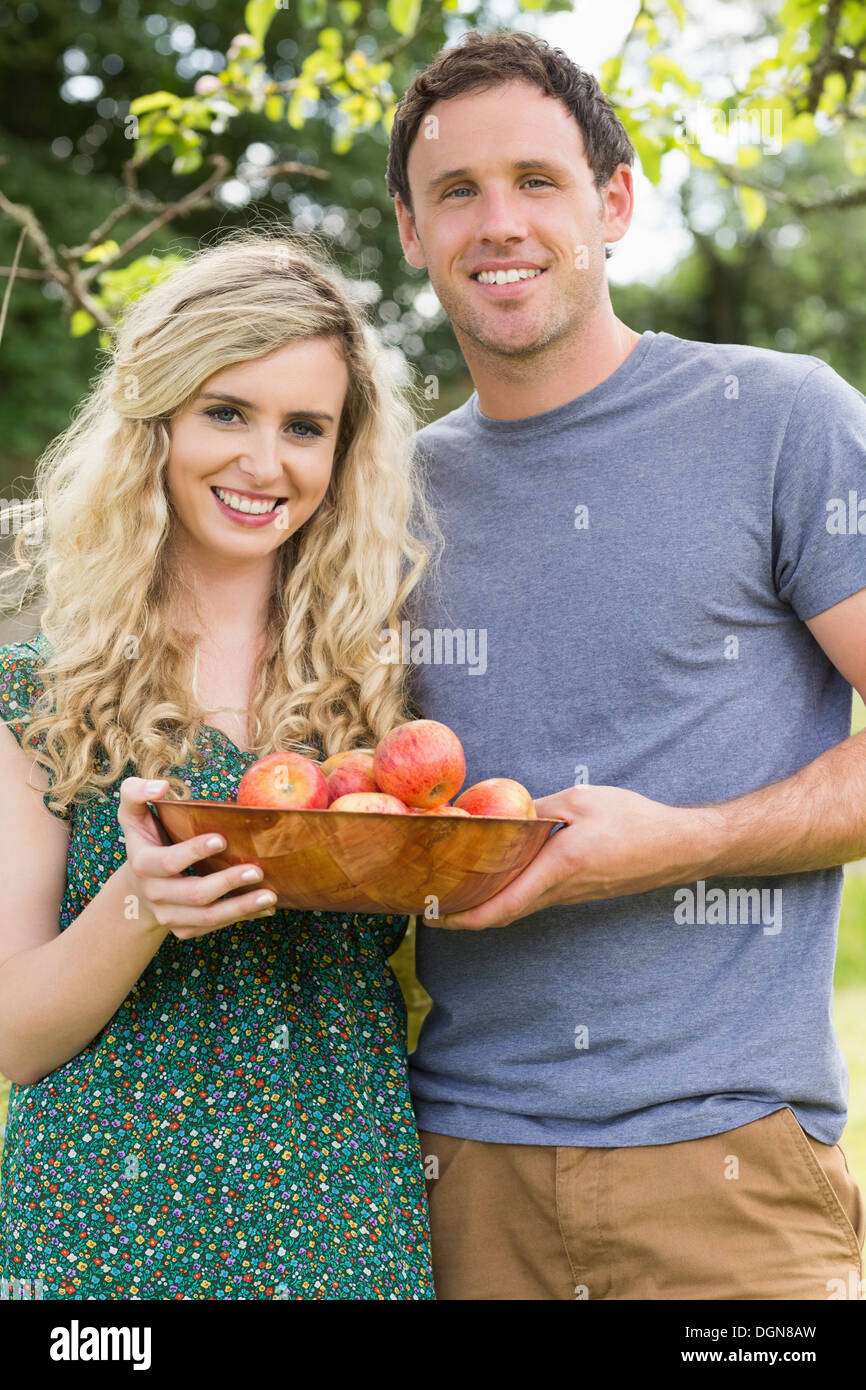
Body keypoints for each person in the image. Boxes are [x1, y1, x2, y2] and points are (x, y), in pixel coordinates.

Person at [385, 29, 866, 1300]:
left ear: (611, 200)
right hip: (453, 1172)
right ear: (408, 231)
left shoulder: (781, 421)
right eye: (456, 191)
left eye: (536, 181)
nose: (499, 223)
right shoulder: (385, 494)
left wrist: (684, 839)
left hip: (730, 1174)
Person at [0, 233, 439, 1300]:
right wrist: (135, 905)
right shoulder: (41, 697)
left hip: (345, 1218)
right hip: (105, 1234)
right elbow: (13, 1032)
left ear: (341, 455)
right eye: (225, 412)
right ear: (157, 422)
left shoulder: (385, 706)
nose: (263, 461)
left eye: (304, 427)